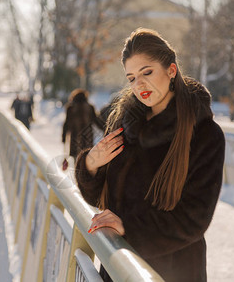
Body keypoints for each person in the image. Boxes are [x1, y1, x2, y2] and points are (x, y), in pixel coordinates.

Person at [74, 28, 225, 282]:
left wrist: (129, 227)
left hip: (174, 272)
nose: (139, 84)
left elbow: (193, 219)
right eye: (131, 77)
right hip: (119, 266)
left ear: (171, 70)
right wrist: (90, 166)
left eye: (147, 72)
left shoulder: (204, 134)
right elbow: (100, 201)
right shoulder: (124, 124)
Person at [62, 89, 102, 159]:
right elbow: (97, 121)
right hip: (87, 138)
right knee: (87, 159)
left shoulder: (70, 108)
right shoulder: (90, 107)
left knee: (76, 160)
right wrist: (106, 129)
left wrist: (64, 137)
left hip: (75, 138)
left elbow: (66, 124)